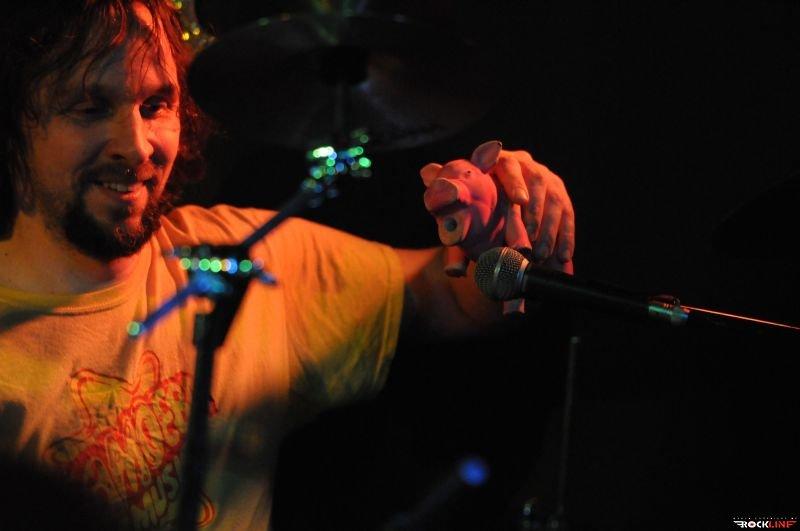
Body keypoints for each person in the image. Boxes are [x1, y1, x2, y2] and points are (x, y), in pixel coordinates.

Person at [0, 1, 575, 529]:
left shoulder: (240, 255)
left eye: (156, 107)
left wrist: (501, 224)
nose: (137, 145)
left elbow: (454, 298)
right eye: (89, 108)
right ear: (13, 125)